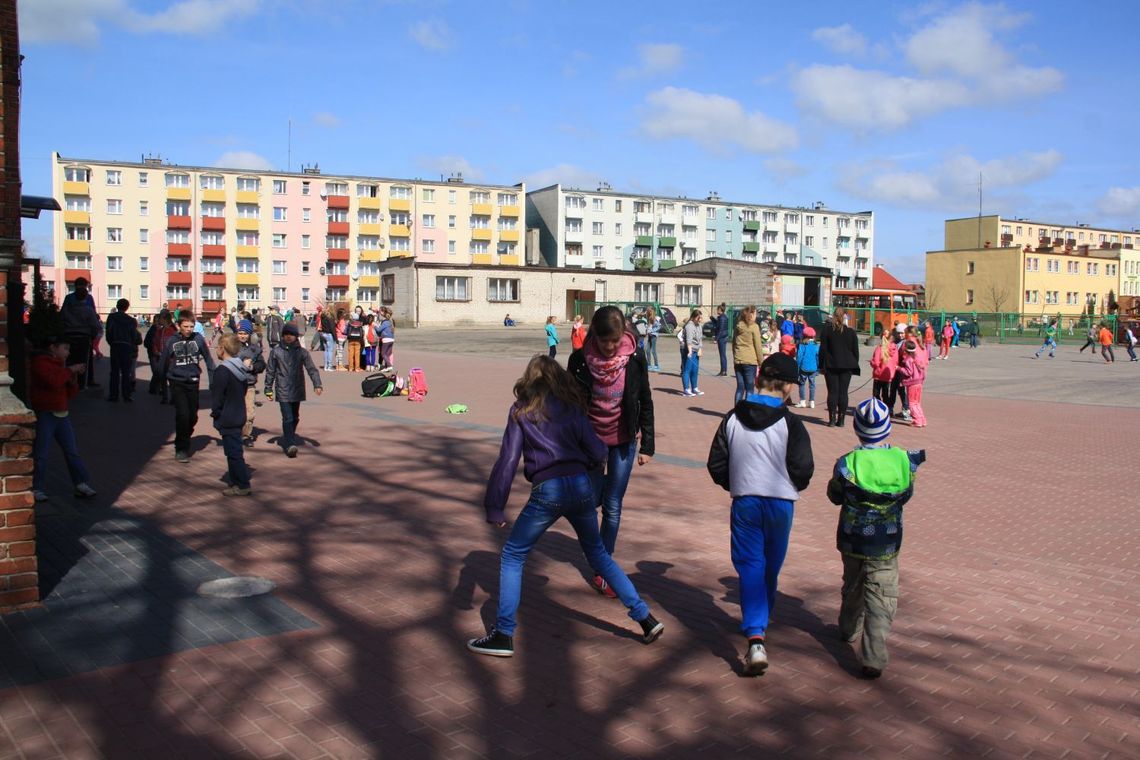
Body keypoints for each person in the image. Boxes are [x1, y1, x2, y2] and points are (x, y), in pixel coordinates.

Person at [467, 355, 664, 658]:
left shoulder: (521, 411)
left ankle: (504, 633)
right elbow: (598, 450)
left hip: (548, 488)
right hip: (580, 485)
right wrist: (586, 463)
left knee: (513, 555)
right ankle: (644, 617)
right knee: (598, 555)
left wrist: (495, 506)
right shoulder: (573, 410)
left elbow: (507, 460)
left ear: (529, 381)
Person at [707, 353, 815, 675]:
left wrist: (736, 481)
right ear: (789, 388)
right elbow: (803, 468)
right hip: (781, 503)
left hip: (746, 501)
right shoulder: (791, 424)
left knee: (750, 564)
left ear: (757, 381)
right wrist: (790, 483)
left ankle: (756, 633)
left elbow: (716, 464)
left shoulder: (731, 418)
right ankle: (758, 627)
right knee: (770, 564)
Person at [827, 398, 925, 678]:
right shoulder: (903, 461)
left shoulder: (847, 463)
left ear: (857, 429)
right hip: (887, 542)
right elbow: (907, 495)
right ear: (887, 429)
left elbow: (835, 496)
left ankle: (848, 630)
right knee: (881, 597)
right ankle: (873, 657)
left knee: (853, 585)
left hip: (853, 539)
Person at [567, 306, 654, 598]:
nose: (610, 347)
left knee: (613, 505)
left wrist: (648, 444)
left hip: (624, 439)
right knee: (588, 500)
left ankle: (604, 566)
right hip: (591, 440)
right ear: (596, 336)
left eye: (615, 341)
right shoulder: (580, 360)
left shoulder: (635, 358)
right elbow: (568, 403)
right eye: (605, 341)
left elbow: (645, 398)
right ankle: (599, 552)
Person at [30, 336, 97, 503]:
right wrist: (70, 371)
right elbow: (54, 381)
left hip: (62, 413)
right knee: (41, 454)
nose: (68, 352)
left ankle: (80, 483)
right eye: (65, 348)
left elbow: (71, 393)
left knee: (72, 451)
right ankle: (37, 487)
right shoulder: (40, 363)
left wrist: (73, 378)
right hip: (45, 413)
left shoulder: (62, 366)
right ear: (53, 348)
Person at [156, 312, 216, 463]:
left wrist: (213, 383)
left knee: (193, 416)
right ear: (178, 326)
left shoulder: (198, 339)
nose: (189, 329)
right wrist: (161, 385)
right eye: (185, 326)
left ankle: (185, 434)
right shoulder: (172, 341)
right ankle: (181, 448)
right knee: (183, 414)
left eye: (191, 326)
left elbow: (209, 361)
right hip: (177, 382)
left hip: (193, 381)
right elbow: (162, 364)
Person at [264, 323, 323, 458]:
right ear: (283, 336)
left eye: (292, 335)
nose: (289, 337)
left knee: (295, 417)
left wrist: (317, 384)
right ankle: (290, 443)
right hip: (282, 389)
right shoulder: (276, 352)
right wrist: (268, 388)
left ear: (296, 337)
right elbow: (270, 371)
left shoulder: (302, 352)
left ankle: (288, 434)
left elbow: (311, 369)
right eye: (286, 335)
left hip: (297, 388)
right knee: (288, 417)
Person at [211, 334, 253, 497]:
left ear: (222, 349)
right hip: (238, 413)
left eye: (217, 347)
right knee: (234, 449)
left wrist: (216, 414)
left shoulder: (223, 370)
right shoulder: (240, 368)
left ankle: (242, 483)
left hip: (227, 415)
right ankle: (237, 482)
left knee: (233, 452)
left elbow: (218, 396)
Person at [819, 308, 860, 427]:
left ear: (833, 316)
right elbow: (855, 352)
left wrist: (821, 365)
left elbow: (823, 350)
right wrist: (853, 364)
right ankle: (841, 420)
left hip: (831, 365)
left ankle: (832, 420)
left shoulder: (827, 331)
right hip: (847, 365)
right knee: (843, 393)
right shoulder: (851, 332)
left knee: (832, 392)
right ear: (845, 317)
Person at [60, 277, 102, 390]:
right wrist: (93, 334)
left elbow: (62, 316)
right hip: (84, 335)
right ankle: (85, 382)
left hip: (69, 335)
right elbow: (94, 318)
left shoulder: (69, 298)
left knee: (69, 358)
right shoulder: (88, 299)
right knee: (86, 359)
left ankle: (69, 381)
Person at [234, 320, 266, 446]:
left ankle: (246, 435)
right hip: (235, 384)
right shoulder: (232, 347)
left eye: (245, 333)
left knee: (249, 412)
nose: (242, 336)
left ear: (249, 334)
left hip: (249, 384)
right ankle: (235, 433)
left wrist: (253, 367)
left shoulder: (255, 349)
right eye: (240, 333)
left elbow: (262, 365)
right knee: (235, 410)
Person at [104, 298, 141, 402]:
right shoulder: (131, 320)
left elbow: (108, 332)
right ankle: (126, 394)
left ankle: (113, 394)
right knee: (126, 371)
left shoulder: (111, 317)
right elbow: (134, 335)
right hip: (127, 346)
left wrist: (112, 342)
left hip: (115, 345)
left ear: (117, 305)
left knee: (114, 371)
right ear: (127, 307)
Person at [732, 306, 764, 404]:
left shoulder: (738, 326)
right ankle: (747, 413)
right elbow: (758, 345)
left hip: (738, 360)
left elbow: (734, 343)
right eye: (754, 313)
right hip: (750, 361)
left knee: (740, 387)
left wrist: (735, 356)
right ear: (750, 315)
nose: (756, 315)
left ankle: (737, 412)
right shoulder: (754, 327)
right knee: (750, 388)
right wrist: (761, 362)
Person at [144, 310, 176, 402]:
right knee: (162, 377)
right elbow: (155, 342)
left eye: (161, 318)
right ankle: (165, 397)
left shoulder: (172, 331)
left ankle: (173, 397)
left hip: (170, 358)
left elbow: (176, 344)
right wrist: (156, 351)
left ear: (165, 319)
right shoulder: (160, 331)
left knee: (171, 378)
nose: (159, 320)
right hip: (161, 357)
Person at [897, 339, 928, 428]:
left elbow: (908, 372)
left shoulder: (908, 360)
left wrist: (899, 368)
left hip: (912, 383)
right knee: (917, 402)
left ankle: (917, 420)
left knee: (912, 403)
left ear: (905, 350)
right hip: (919, 382)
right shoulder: (917, 358)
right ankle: (922, 419)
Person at [870, 327, 897, 408]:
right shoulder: (894, 348)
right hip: (888, 375)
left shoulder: (879, 348)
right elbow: (896, 361)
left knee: (876, 394)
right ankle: (886, 408)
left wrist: (871, 362)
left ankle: (878, 408)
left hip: (878, 375)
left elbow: (876, 363)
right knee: (885, 394)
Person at [681, 309, 704, 396]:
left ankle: (695, 388)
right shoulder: (689, 326)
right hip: (688, 349)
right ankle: (686, 389)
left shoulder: (699, 326)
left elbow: (700, 338)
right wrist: (689, 352)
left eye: (701, 318)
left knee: (695, 369)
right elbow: (689, 340)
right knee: (687, 370)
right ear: (694, 317)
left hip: (696, 350)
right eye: (699, 318)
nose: (700, 320)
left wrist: (700, 349)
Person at [795, 326, 819, 408]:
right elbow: (817, 357)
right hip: (813, 368)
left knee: (801, 384)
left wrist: (797, 367)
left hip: (803, 367)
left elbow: (799, 357)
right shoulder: (816, 345)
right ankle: (812, 401)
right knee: (812, 385)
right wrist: (818, 368)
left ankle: (802, 401)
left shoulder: (802, 344)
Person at [345, 306, 365, 372]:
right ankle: (357, 368)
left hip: (350, 340)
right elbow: (362, 332)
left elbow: (345, 331)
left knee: (350, 354)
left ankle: (350, 368)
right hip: (358, 340)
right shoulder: (360, 324)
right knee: (357, 354)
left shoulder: (349, 323)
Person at [714, 303, 730, 376]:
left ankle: (723, 371)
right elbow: (717, 324)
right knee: (722, 354)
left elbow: (720, 330)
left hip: (722, 338)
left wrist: (716, 339)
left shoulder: (722, 318)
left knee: (722, 355)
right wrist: (711, 318)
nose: (717, 310)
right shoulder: (721, 317)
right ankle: (723, 370)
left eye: (718, 309)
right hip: (723, 337)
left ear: (721, 310)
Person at [318, 306, 336, 371]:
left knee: (326, 350)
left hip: (324, 334)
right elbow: (332, 328)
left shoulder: (323, 316)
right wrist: (335, 337)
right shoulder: (330, 318)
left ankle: (326, 366)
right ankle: (329, 366)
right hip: (329, 334)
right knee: (330, 350)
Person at [645, 306, 661, 371]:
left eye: (648, 311)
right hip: (650, 335)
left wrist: (652, 331)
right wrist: (647, 328)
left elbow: (659, 326)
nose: (647, 312)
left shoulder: (654, 318)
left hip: (653, 336)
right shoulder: (648, 318)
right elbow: (649, 326)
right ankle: (649, 365)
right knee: (647, 350)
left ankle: (656, 365)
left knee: (653, 350)